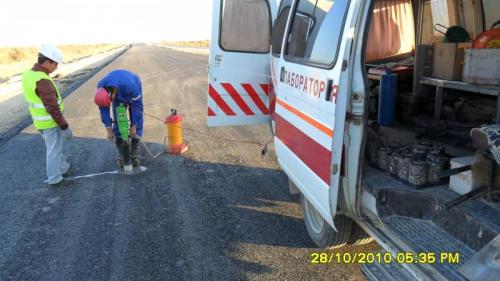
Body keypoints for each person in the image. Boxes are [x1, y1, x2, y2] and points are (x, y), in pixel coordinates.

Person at [22, 45, 72, 185]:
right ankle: (55, 178)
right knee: (54, 151)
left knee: (55, 148)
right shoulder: (42, 80)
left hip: (40, 122)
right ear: (48, 62)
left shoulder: (28, 74)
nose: (56, 67)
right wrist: (64, 126)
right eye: (55, 64)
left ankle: (63, 168)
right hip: (50, 122)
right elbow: (52, 107)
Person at [93, 69, 144, 168]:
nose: (111, 102)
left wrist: (134, 126)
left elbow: (138, 106)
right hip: (117, 91)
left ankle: (134, 150)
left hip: (130, 88)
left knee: (137, 118)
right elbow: (103, 109)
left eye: (111, 100)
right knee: (119, 119)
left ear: (112, 94)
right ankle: (122, 149)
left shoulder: (130, 86)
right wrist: (109, 129)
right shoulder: (101, 87)